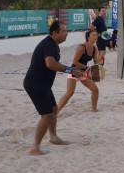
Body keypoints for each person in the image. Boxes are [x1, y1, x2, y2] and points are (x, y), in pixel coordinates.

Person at [23, 21, 83, 156]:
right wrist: (70, 70)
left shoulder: (53, 45)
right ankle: (35, 147)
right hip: (35, 84)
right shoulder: (48, 44)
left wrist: (71, 68)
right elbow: (50, 64)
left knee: (54, 109)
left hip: (43, 84)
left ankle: (53, 137)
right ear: (54, 33)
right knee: (47, 115)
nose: (66, 34)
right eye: (63, 31)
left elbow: (54, 63)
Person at [56, 29, 101, 113]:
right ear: (88, 37)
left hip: (83, 73)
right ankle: (56, 112)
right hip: (74, 71)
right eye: (93, 35)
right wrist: (87, 67)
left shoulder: (95, 49)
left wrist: (99, 68)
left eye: (96, 35)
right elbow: (75, 62)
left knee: (95, 90)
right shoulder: (81, 47)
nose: (96, 37)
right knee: (70, 93)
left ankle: (94, 109)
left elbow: (96, 62)